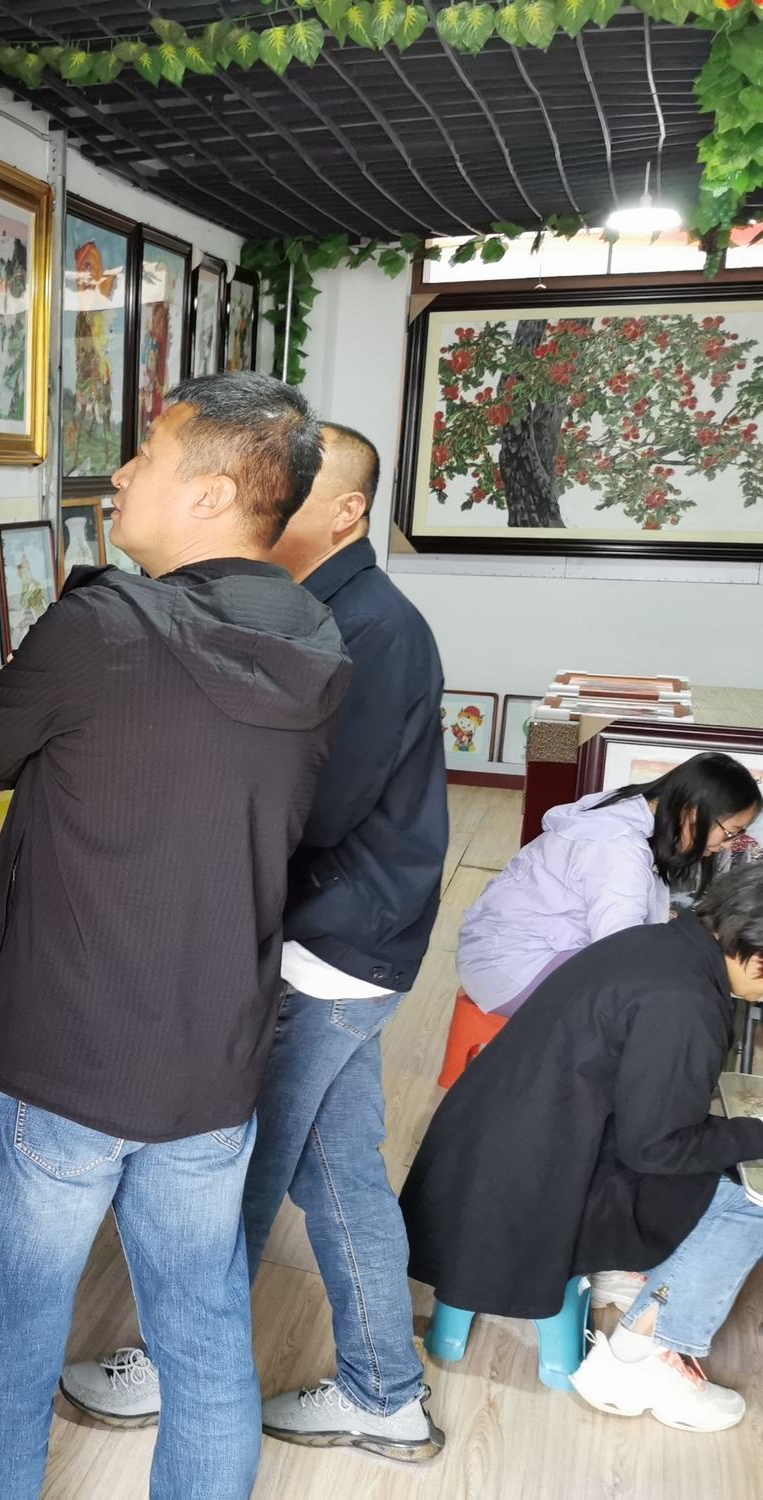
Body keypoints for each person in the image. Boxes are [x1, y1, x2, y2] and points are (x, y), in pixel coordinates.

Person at [0, 372, 352, 1500]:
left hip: (60, 1057)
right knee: (205, 1343)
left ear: (212, 495)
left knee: (8, 1350)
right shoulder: (316, 639)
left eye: (148, 454)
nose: (119, 472)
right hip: (210, 1060)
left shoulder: (102, 626)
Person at [63, 422, 450, 1460]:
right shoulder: (321, 610)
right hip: (346, 943)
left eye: (297, 484)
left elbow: (312, 810)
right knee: (336, 1173)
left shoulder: (371, 628)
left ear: (347, 512)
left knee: (224, 1172)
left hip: (329, 949)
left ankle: (175, 1365)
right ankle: (385, 1394)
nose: (270, 494)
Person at [401, 863, 763, 1432]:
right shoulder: (686, 1002)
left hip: (490, 1153)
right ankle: (645, 1355)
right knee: (749, 1200)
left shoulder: (659, 942)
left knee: (719, 1152)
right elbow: (657, 1149)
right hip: (536, 1187)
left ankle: (627, 1280)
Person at [458, 752, 761, 1015]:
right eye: (731, 832)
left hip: (511, 951)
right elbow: (620, 951)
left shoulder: (633, 811)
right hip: (514, 969)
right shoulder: (618, 848)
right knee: (657, 1001)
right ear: (693, 812)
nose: (728, 844)